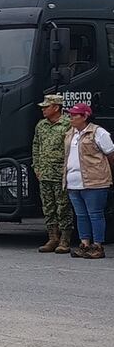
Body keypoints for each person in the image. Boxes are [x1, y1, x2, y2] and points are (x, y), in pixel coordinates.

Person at [63, 103, 112, 259]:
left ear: (84, 116)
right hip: (73, 182)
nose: (70, 118)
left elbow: (110, 154)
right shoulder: (71, 133)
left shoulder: (98, 132)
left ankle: (97, 245)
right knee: (81, 215)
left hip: (94, 182)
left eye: (74, 115)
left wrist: (108, 174)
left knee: (95, 214)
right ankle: (84, 244)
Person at [33, 94, 73, 253]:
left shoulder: (68, 124)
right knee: (48, 207)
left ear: (56, 107)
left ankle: (65, 239)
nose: (43, 110)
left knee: (63, 206)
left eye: (46, 107)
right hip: (44, 173)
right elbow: (36, 146)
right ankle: (52, 238)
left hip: (61, 173)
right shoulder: (41, 125)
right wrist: (36, 167)